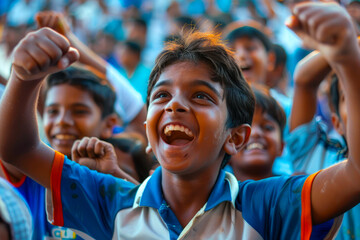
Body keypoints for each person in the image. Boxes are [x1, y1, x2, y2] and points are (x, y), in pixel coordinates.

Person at [0, 2, 359, 239]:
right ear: (147, 129)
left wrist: (346, 58)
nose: (174, 106)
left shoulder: (264, 205)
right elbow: (16, 147)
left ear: (235, 138)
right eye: (161, 95)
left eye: (201, 96)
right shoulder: (113, 201)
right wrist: (24, 78)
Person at [0, 66, 139, 239]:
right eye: (53, 111)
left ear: (109, 124)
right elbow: (12, 145)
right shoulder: (30, 172)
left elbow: (151, 221)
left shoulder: (115, 173)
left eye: (79, 111)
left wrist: (114, 174)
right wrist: (23, 75)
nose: (62, 121)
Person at [229, 85, 285, 181]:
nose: (255, 133)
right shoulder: (213, 194)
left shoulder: (294, 190)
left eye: (267, 127)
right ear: (225, 148)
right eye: (243, 129)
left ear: (281, 146)